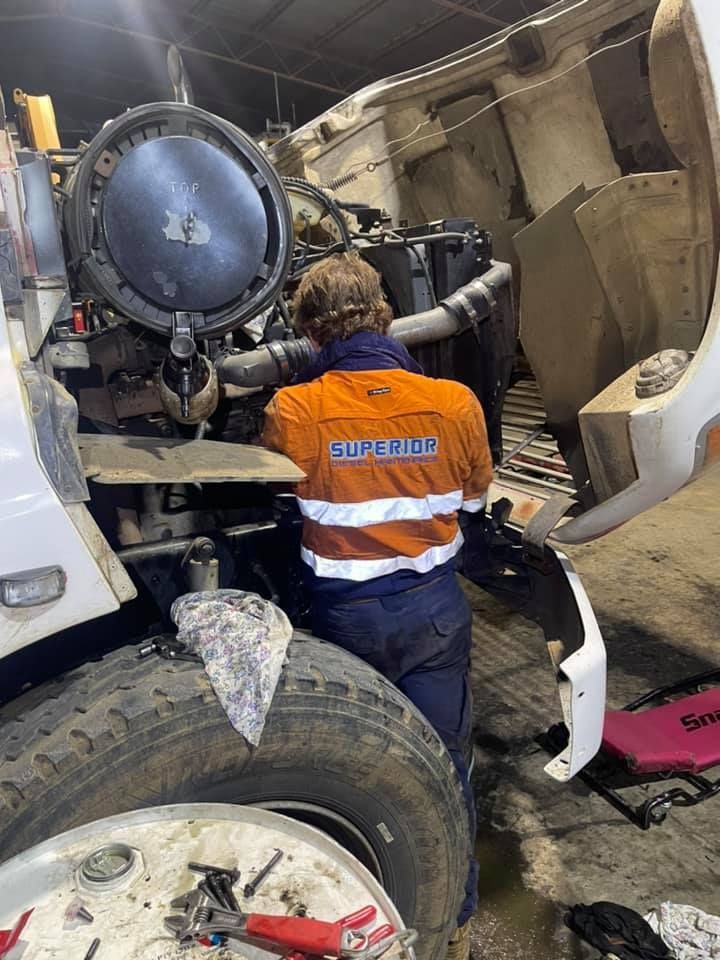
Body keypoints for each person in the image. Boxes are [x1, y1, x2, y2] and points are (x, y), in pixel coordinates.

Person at [263, 252, 493, 957]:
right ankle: (453, 919)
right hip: (434, 612)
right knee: (443, 761)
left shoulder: (291, 408)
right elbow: (475, 504)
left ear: (310, 331)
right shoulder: (456, 403)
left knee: (359, 764)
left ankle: (373, 902)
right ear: (385, 315)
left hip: (346, 622)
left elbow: (280, 507)